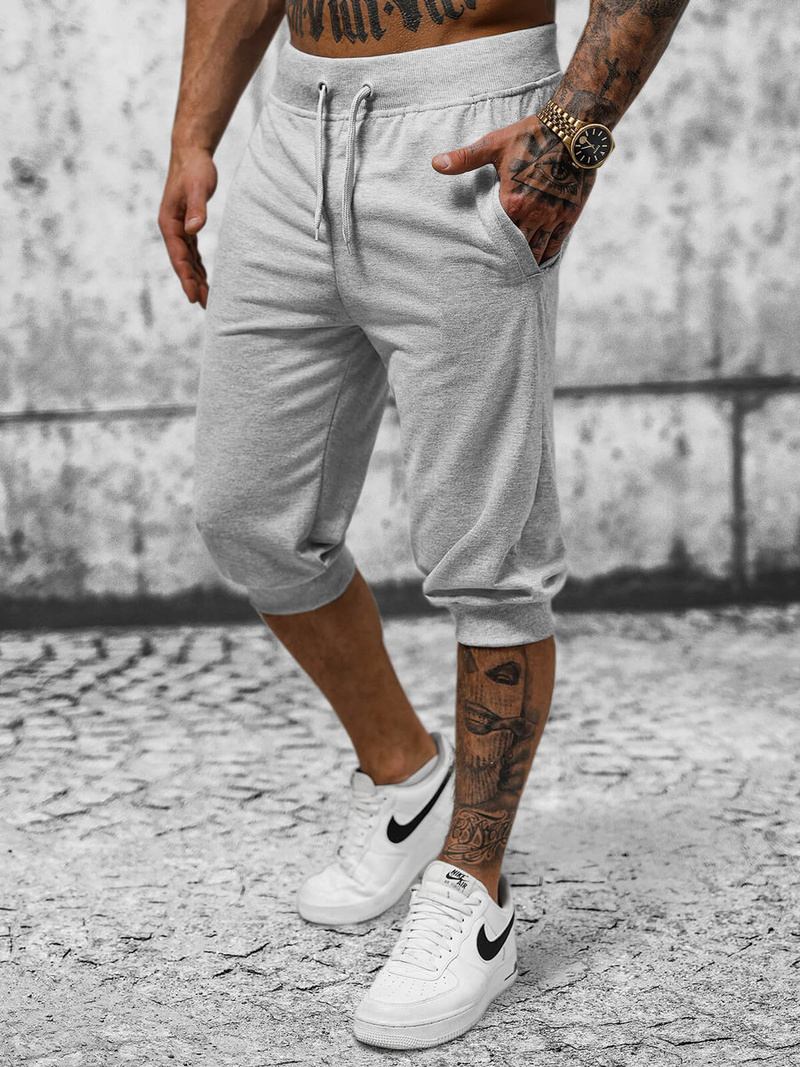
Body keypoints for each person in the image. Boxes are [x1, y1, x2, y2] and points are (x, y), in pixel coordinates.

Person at [159, 0, 689, 1048]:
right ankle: (405, 776)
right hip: (292, 131)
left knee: (488, 558)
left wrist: (572, 135)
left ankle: (472, 887)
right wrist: (193, 131)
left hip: (465, 127)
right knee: (246, 515)